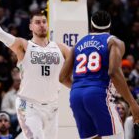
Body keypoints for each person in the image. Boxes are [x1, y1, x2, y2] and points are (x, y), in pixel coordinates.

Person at [0, 8, 70, 139]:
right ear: (30, 26)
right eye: (37, 22)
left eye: (44, 22)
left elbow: (79, 61)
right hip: (28, 106)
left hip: (52, 107)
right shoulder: (24, 46)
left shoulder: (60, 48)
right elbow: (0, 34)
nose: (42, 25)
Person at [59, 10, 139, 139]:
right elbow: (113, 72)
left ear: (91, 26)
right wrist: (132, 103)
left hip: (76, 96)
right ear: (109, 25)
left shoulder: (77, 45)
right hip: (99, 93)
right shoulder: (114, 42)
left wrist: (82, 87)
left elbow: (62, 78)